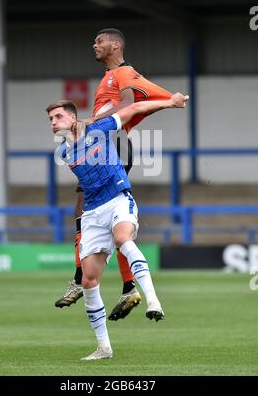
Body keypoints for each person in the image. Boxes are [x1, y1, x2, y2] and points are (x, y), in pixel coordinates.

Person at [47, 93, 188, 360]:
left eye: (58, 116)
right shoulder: (64, 152)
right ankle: (104, 347)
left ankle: (153, 300)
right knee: (88, 280)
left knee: (123, 238)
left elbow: (133, 107)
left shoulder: (100, 129)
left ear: (73, 117)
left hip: (118, 200)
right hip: (93, 213)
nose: (53, 122)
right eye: (51, 119)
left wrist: (170, 102)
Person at [55, 28, 174, 321]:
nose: (94, 45)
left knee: (88, 210)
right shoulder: (109, 77)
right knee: (94, 215)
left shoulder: (123, 73)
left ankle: (82, 277)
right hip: (101, 144)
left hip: (112, 144)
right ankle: (127, 286)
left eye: (99, 41)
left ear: (115, 45)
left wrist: (92, 120)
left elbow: (128, 105)